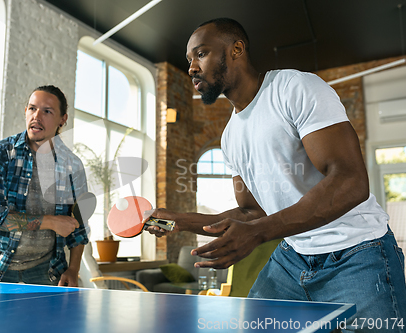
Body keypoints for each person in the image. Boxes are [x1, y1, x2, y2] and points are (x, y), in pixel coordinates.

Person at [144, 18, 406, 329]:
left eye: (200, 54)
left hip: (358, 252)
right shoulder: (230, 137)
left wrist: (260, 232)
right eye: (189, 60)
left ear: (237, 49)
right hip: (294, 255)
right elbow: (251, 211)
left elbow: (351, 181)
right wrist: (178, 219)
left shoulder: (295, 88)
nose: (191, 68)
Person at [0, 85, 89, 286]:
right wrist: (51, 221)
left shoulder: (72, 165)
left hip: (45, 271)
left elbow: (79, 226)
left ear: (63, 119)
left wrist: (73, 268)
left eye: (47, 111)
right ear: (26, 111)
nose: (37, 116)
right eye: (32, 108)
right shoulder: (0, 154)